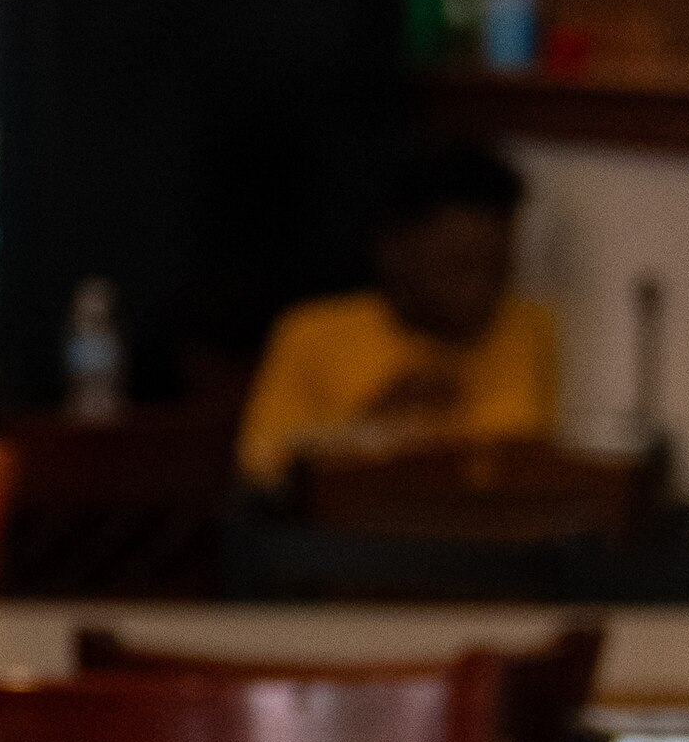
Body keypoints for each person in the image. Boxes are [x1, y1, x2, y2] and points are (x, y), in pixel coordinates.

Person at [234, 137, 563, 486]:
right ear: (395, 252)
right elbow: (261, 471)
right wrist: (372, 432)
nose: (482, 291)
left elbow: (530, 466)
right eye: (460, 267)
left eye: (500, 270)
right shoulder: (315, 332)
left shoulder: (527, 326)